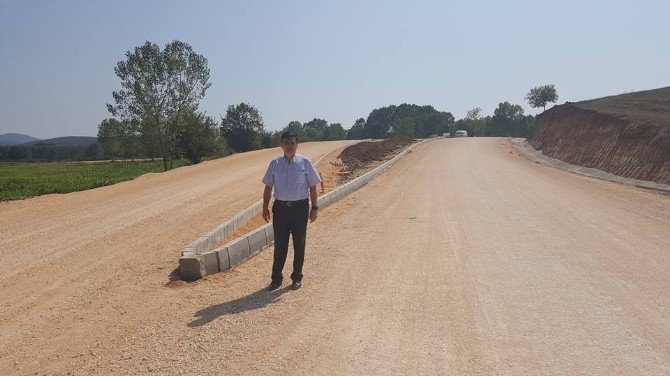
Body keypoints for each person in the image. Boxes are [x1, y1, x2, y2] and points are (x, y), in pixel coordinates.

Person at [262, 132, 321, 291]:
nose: (289, 145)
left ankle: (297, 278)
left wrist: (314, 207)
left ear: (297, 144)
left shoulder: (305, 163)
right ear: (281, 145)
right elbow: (268, 187)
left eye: (292, 142)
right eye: (286, 142)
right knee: (280, 244)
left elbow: (313, 186)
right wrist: (265, 207)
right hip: (280, 209)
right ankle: (276, 278)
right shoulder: (274, 164)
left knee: (299, 243)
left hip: (300, 208)